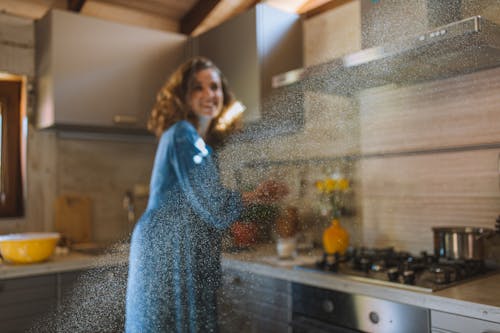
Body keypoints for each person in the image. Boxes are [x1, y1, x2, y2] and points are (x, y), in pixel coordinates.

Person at [125, 56, 288, 332]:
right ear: (182, 96)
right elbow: (213, 204)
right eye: (197, 88)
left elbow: (204, 206)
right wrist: (256, 195)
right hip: (168, 248)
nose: (209, 94)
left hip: (179, 244)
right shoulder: (181, 134)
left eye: (214, 87)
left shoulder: (196, 140)